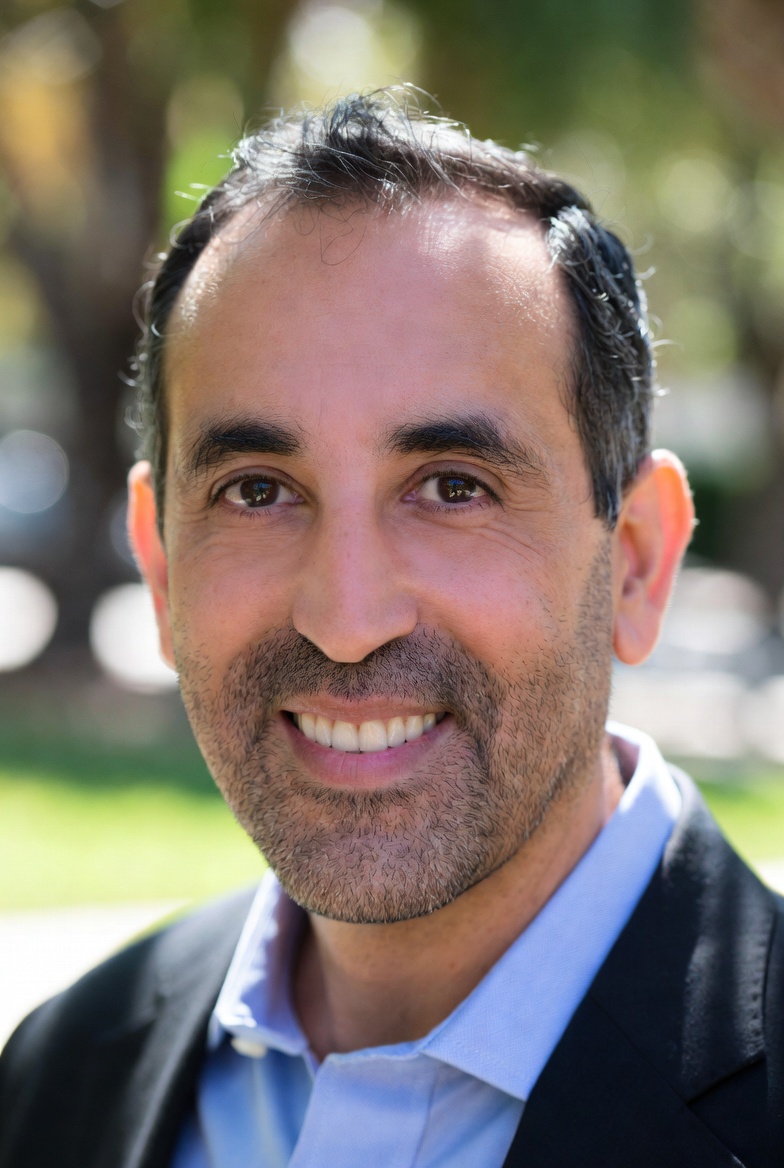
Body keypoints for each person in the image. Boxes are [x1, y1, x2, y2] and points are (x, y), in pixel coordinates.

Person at [1, 89, 782, 1168]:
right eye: (257, 491)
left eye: (455, 487)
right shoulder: (61, 1074)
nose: (348, 619)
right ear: (162, 564)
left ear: (638, 561)